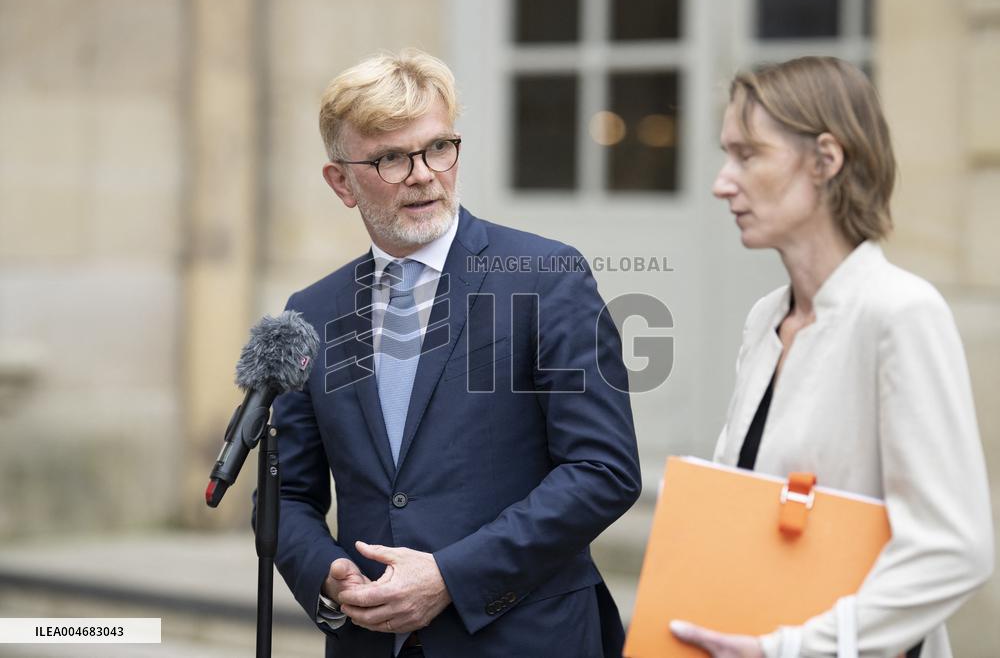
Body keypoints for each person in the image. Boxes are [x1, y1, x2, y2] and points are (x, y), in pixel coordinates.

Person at [262, 48, 641, 658]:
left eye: (438, 147)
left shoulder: (546, 277)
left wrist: (451, 577)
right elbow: (287, 495)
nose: (422, 173)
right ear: (341, 182)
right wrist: (329, 576)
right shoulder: (312, 311)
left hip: (525, 639)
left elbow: (602, 471)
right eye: (390, 158)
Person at [671, 56, 994, 657]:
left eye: (747, 155)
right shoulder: (766, 318)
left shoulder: (901, 313)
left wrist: (791, 648)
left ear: (826, 159)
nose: (721, 181)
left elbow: (955, 546)